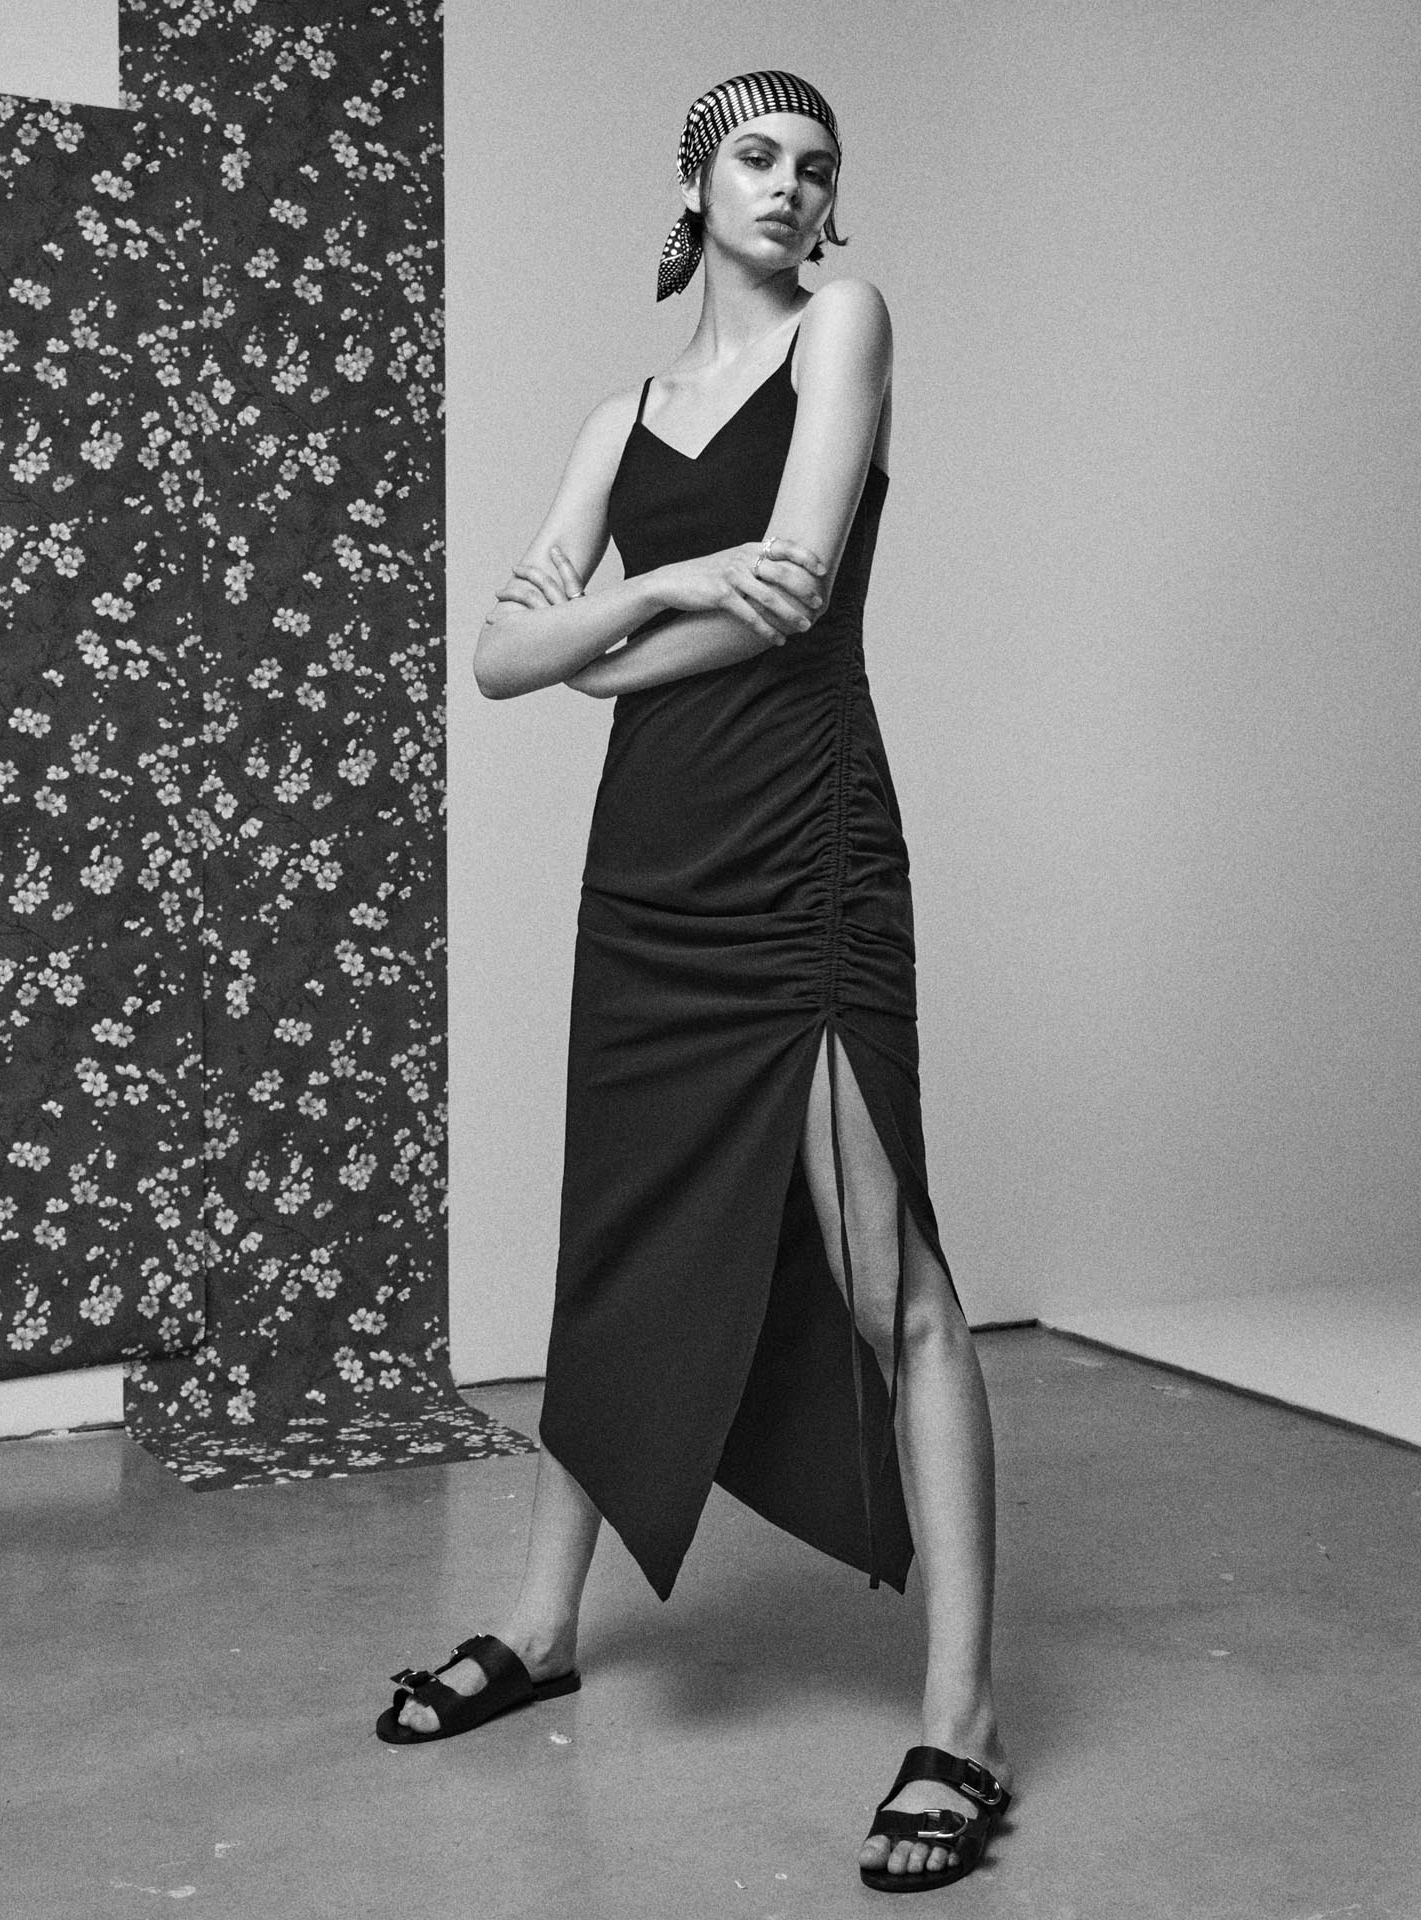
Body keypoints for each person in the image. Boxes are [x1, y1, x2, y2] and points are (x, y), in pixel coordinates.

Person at [377, 71, 1012, 1894]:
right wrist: (666, 595)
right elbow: (499, 658)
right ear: (695, 183)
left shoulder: (844, 325)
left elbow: (795, 584)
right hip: (648, 864)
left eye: (817, 166)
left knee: (891, 1273)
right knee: (622, 1232)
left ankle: (963, 1721)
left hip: (801, 845)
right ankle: (543, 1624)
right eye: (756, 156)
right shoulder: (623, 415)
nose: (789, 186)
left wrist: (611, 637)